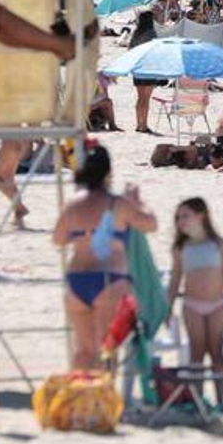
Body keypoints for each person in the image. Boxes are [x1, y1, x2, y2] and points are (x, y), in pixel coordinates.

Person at [52, 143, 159, 369]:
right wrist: (139, 202)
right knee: (106, 351)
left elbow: (58, 239)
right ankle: (103, 401)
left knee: (83, 351)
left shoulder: (72, 204)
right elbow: (150, 224)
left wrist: (84, 236)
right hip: (109, 279)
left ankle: (81, 399)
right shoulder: (117, 203)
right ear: (107, 173)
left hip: (76, 280)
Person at [166, 198, 223, 408]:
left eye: (185, 216)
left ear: (201, 216)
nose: (181, 221)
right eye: (178, 217)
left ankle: (221, 400)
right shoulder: (181, 247)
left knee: (217, 351)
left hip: (217, 304)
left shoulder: (218, 244)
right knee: (196, 351)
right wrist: (168, 307)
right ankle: (198, 401)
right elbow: (175, 279)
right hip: (192, 306)